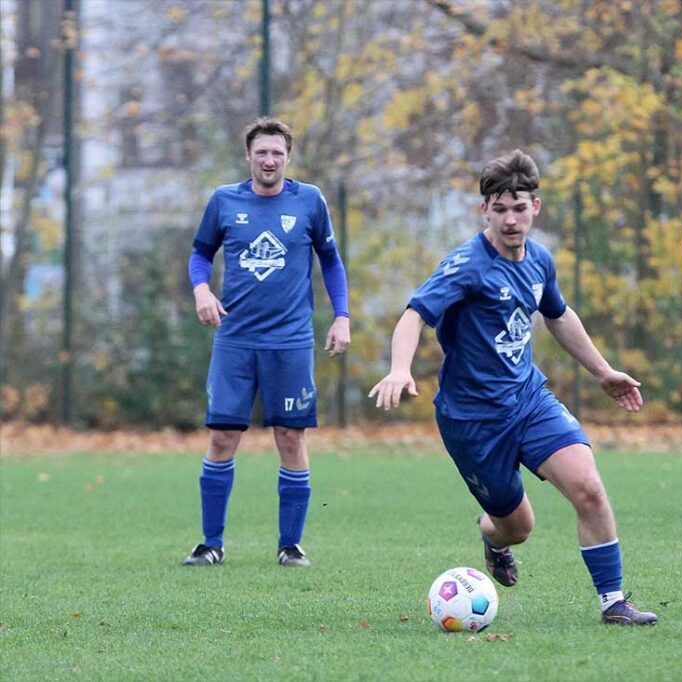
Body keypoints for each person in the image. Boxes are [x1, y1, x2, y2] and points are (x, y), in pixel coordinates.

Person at [369, 150, 657, 625]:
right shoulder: (466, 265)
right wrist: (400, 369)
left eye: (519, 208)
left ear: (535, 208)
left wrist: (603, 372)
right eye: (499, 209)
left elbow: (559, 316)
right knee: (518, 527)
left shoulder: (539, 260)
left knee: (588, 487)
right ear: (484, 210)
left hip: (528, 400)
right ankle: (493, 538)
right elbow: (415, 313)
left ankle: (614, 602)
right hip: (473, 422)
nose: (510, 219)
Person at [182, 117, 351, 568]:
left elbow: (331, 262)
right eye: (262, 152)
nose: (269, 160)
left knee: (291, 437)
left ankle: (290, 545)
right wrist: (202, 290)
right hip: (235, 339)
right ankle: (211, 543)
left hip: (291, 341)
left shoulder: (310, 201)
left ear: (288, 157)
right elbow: (200, 253)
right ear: (249, 157)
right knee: (221, 437)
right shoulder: (224, 201)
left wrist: (342, 317)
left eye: (277, 152)